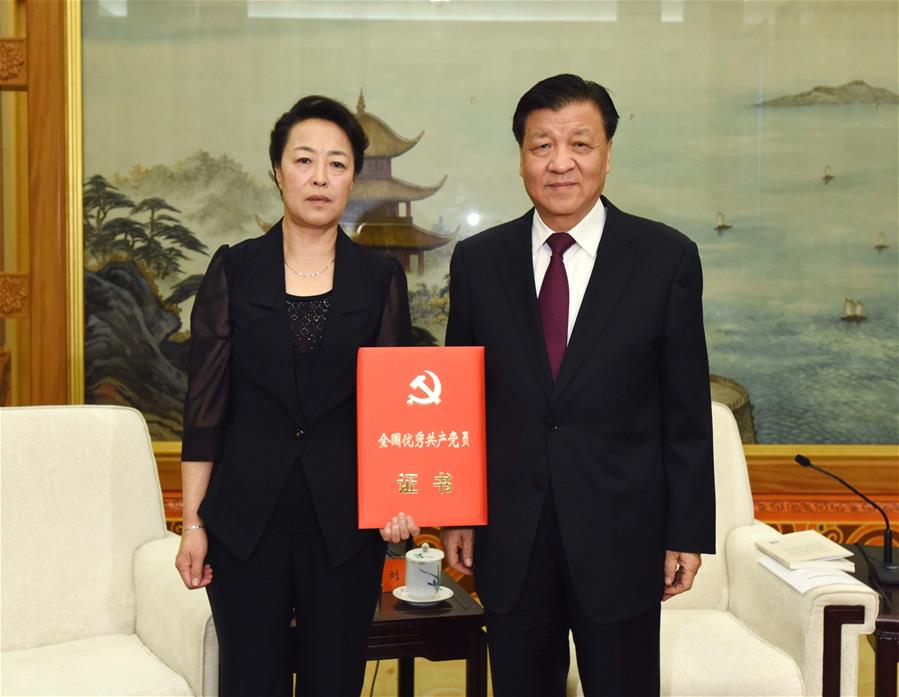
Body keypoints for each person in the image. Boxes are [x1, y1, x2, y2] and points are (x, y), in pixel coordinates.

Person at [440, 74, 715, 697]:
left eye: (580, 144)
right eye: (542, 145)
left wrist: (686, 533)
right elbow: (462, 400)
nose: (560, 163)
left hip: (624, 537)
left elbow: (686, 410)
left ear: (608, 154)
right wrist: (456, 511)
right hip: (510, 538)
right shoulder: (479, 262)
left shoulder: (665, 257)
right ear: (521, 158)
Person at [175, 95, 419, 697]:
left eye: (337, 164)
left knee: (334, 681)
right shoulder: (235, 269)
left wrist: (399, 501)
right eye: (304, 160)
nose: (319, 177)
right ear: (277, 172)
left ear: (352, 179)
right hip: (244, 525)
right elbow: (204, 406)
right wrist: (191, 522)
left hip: (344, 527)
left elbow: (395, 406)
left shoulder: (380, 280)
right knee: (249, 681)